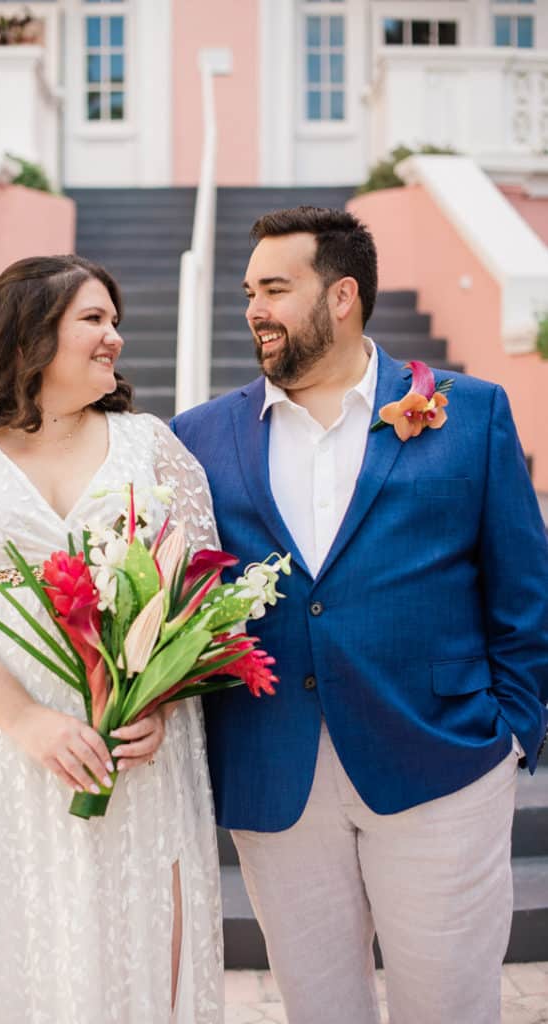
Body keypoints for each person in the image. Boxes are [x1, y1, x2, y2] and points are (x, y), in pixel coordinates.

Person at [171, 207, 548, 1024]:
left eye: (275, 288)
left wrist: (510, 730)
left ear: (341, 296)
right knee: (319, 1008)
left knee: (448, 1006)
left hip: (441, 763)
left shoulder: (469, 413)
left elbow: (523, 591)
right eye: (247, 291)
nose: (254, 309)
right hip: (276, 771)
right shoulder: (198, 436)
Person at [0, 254, 223, 1024]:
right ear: (29, 332)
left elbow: (198, 595)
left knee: (124, 932)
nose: (114, 338)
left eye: (115, 321)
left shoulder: (152, 446)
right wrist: (25, 720)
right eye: (93, 319)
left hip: (125, 745)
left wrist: (156, 703)